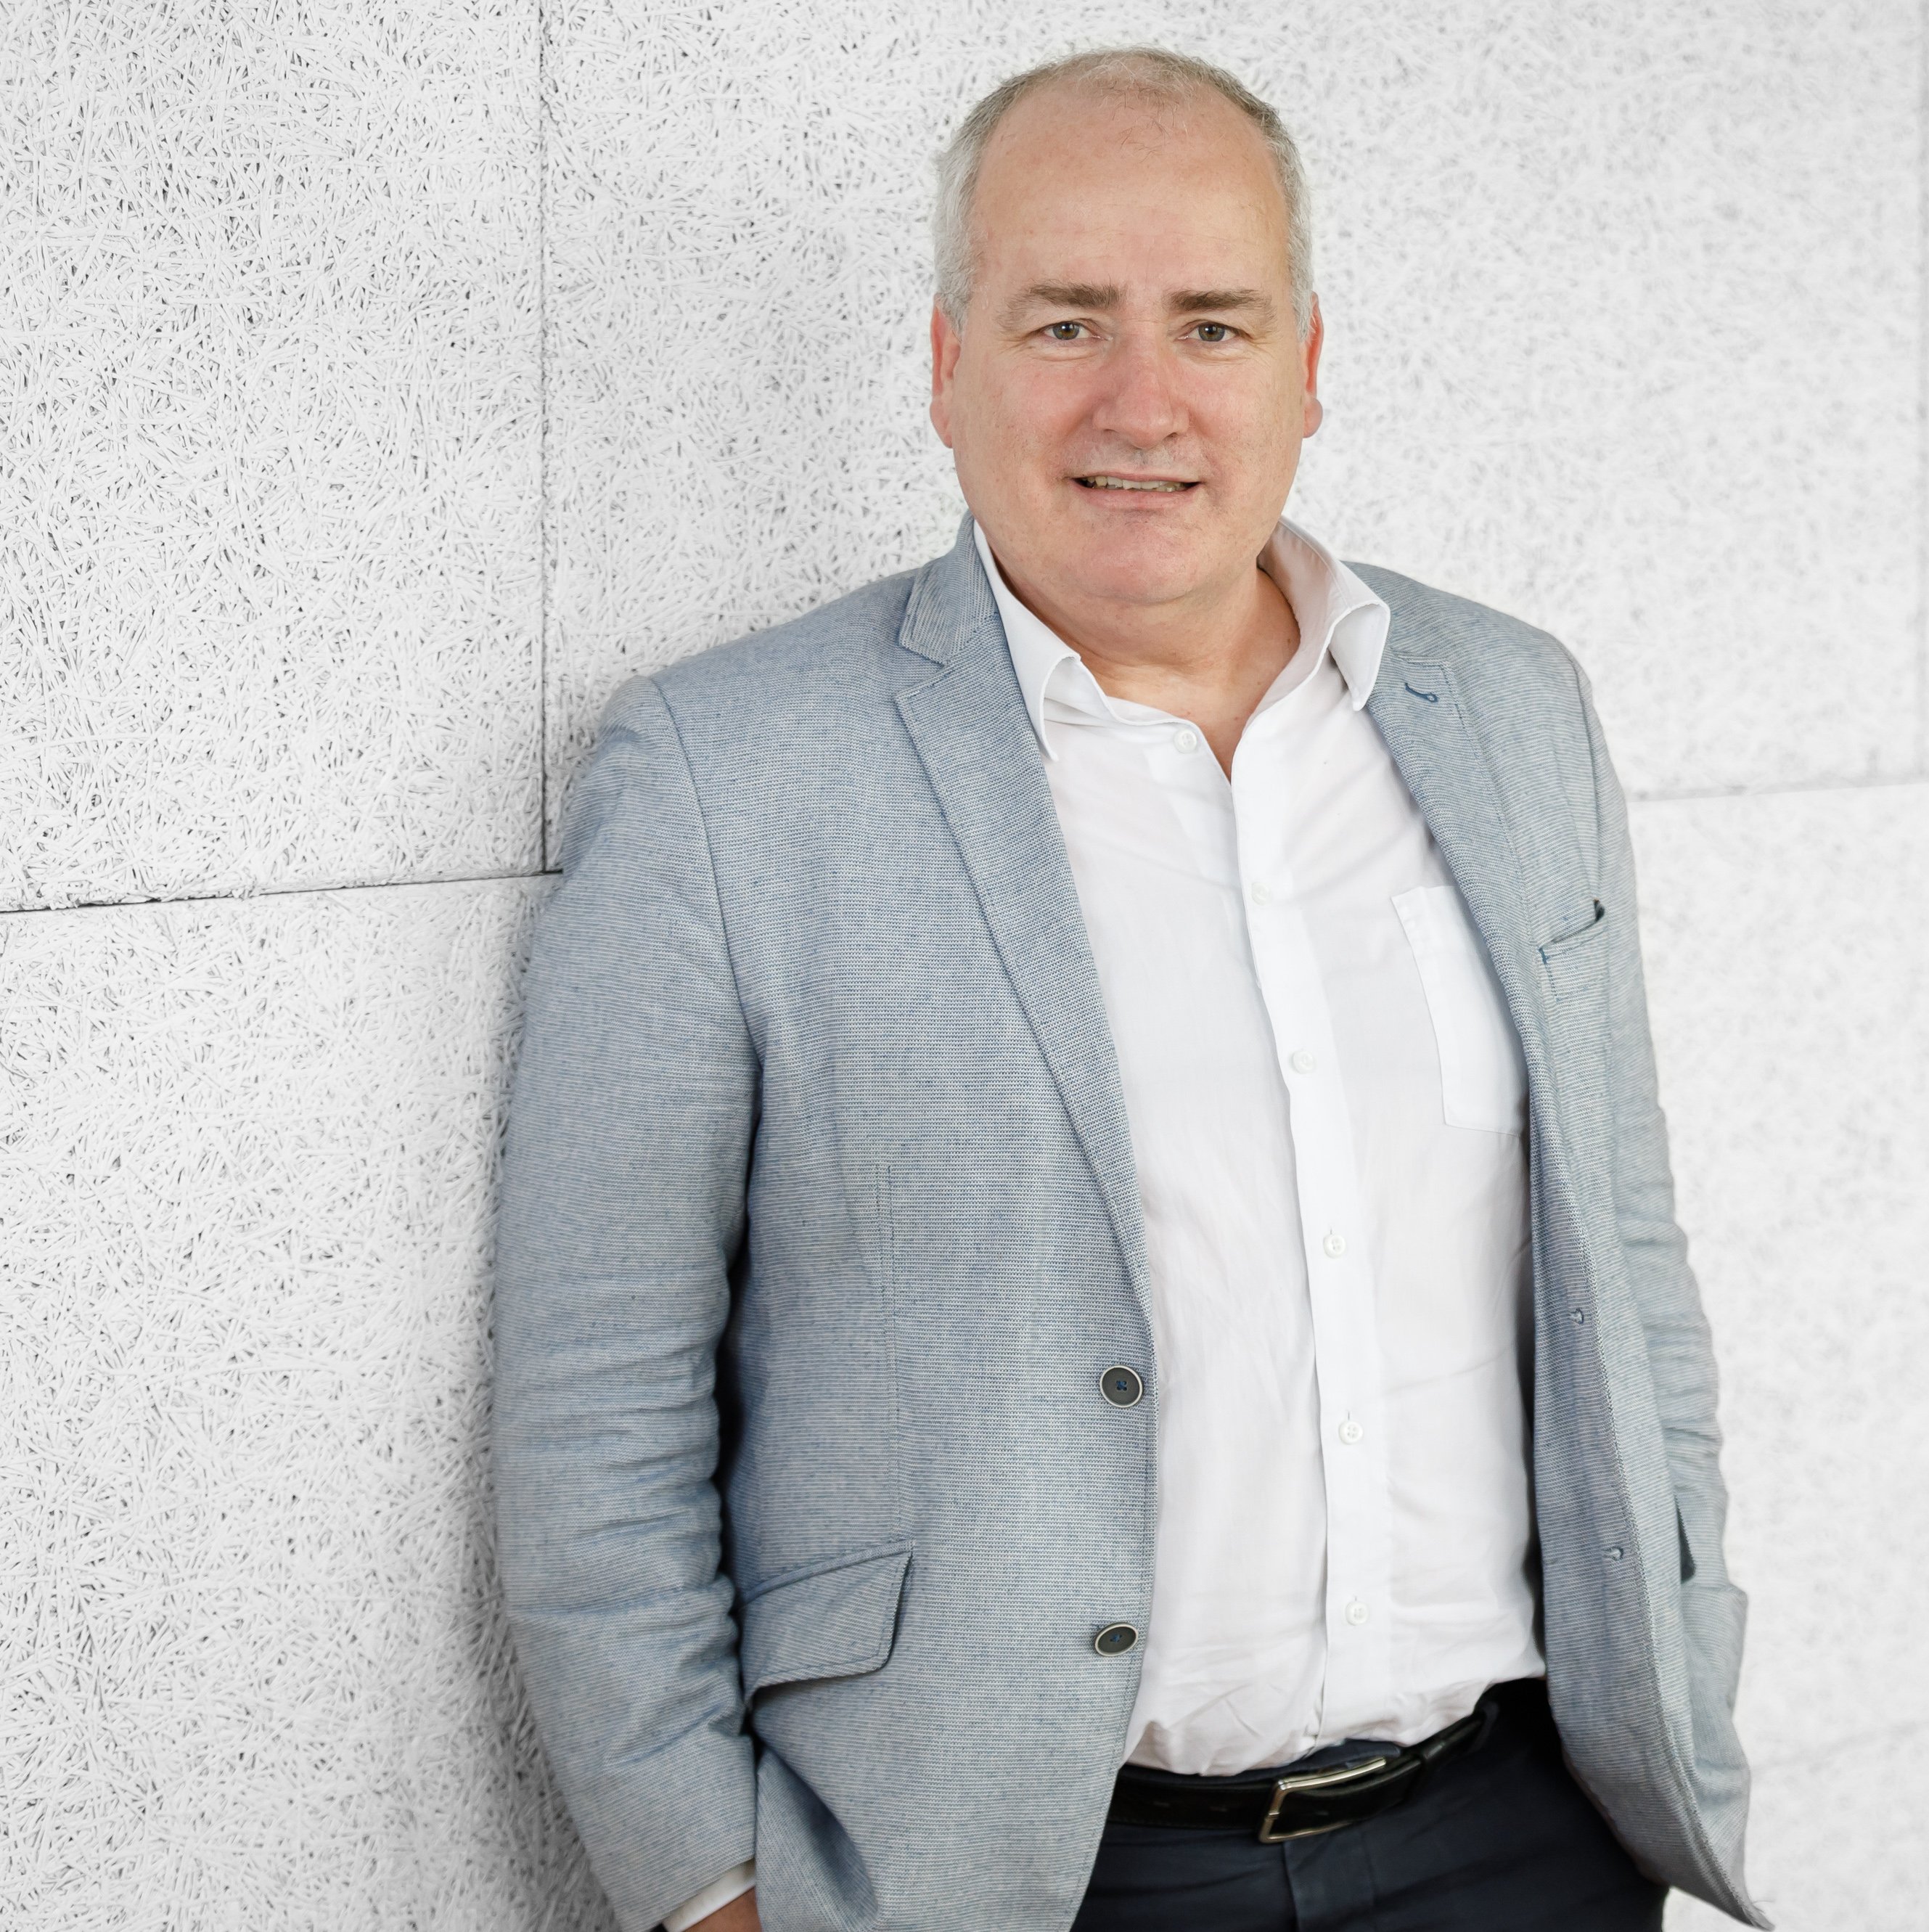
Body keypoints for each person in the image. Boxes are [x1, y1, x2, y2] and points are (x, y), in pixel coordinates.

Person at [493, 46, 1758, 1932]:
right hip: (1013, 1876)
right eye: (1066, 320)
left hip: (1518, 1840)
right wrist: (710, 1885)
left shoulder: (1512, 712)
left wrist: (1688, 1639)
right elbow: (599, 1391)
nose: (1142, 402)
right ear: (949, 364)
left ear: (1307, 364)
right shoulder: (727, 778)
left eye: (1213, 325)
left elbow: (1624, 1254)